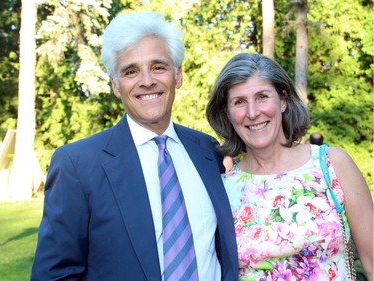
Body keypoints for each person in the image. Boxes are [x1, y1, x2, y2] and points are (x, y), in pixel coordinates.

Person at [31, 11, 239, 281]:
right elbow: (54, 275)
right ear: (116, 86)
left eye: (158, 67)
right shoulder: (78, 165)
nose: (147, 81)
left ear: (178, 76)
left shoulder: (206, 150)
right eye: (131, 71)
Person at [206, 52, 373, 280]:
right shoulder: (222, 189)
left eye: (262, 96)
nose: (253, 113)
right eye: (239, 102)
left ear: (283, 101)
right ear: (227, 112)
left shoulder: (331, 164)